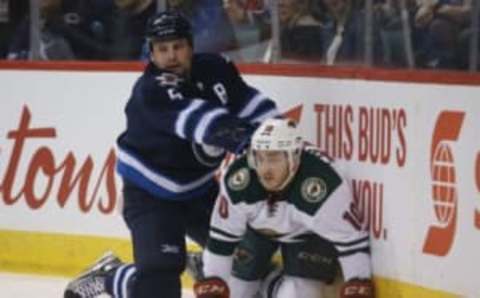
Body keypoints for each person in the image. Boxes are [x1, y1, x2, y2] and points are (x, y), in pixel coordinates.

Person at [63, 10, 279, 298]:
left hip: (199, 190)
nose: (171, 56)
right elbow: (201, 121)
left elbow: (250, 103)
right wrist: (249, 139)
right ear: (151, 54)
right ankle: (110, 275)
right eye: (162, 49)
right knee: (159, 283)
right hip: (150, 194)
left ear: (190, 46)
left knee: (250, 260)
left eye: (178, 46)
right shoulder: (152, 90)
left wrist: (279, 136)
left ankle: (203, 262)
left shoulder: (214, 69)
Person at [193, 118, 374, 298]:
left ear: (294, 157)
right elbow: (221, 241)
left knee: (300, 295)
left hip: (308, 235)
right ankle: (255, 276)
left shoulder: (323, 183)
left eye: (273, 158)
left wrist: (357, 283)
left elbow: (351, 241)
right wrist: (214, 279)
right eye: (260, 158)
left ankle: (265, 278)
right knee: (236, 293)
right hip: (255, 229)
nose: (265, 169)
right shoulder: (239, 180)